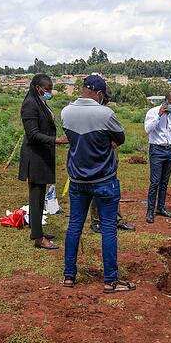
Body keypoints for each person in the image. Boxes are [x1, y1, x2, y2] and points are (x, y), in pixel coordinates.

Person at [61, 74, 135, 293]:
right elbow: (120, 139)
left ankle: (69, 276)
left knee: (74, 227)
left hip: (77, 180)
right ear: (100, 93)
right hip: (103, 180)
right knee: (109, 228)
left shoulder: (66, 112)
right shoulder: (106, 114)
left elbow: (71, 139)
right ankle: (110, 280)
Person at [18, 73, 68, 250]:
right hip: (35, 156)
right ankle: (38, 238)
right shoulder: (30, 104)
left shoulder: (40, 102)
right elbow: (33, 134)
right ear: (37, 87)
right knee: (36, 196)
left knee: (39, 196)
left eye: (51, 89)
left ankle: (37, 229)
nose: (49, 92)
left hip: (42, 155)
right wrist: (56, 140)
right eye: (47, 89)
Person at [143, 91, 171, 223]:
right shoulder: (152, 112)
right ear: (165, 101)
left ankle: (161, 207)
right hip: (157, 150)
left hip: (169, 151)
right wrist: (159, 115)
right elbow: (147, 129)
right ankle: (150, 210)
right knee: (155, 182)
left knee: (164, 182)